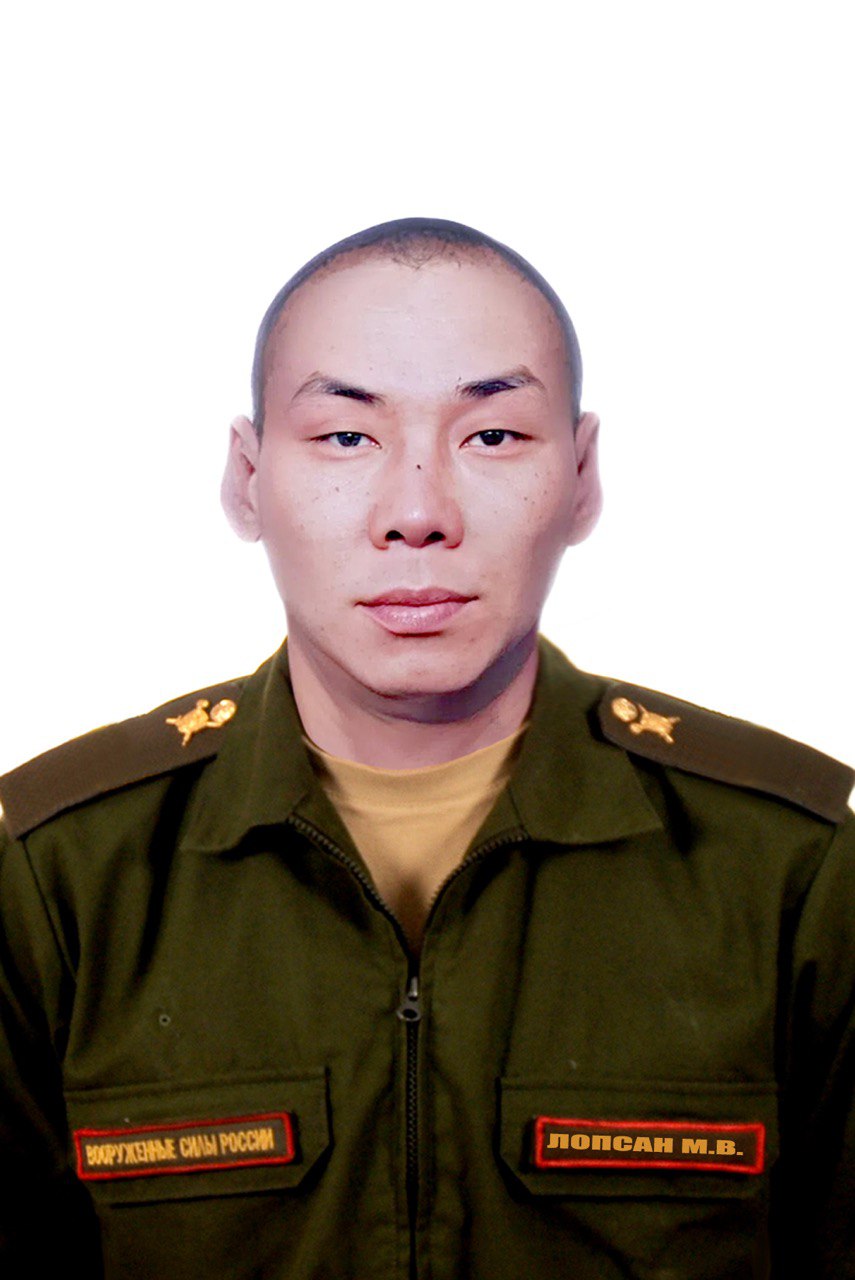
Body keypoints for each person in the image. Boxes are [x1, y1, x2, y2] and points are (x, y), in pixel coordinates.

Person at [1, 217, 853, 1280]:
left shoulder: (792, 870)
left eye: (491, 436)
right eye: (345, 436)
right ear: (246, 478)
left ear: (582, 475)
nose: (416, 513)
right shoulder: (59, 880)